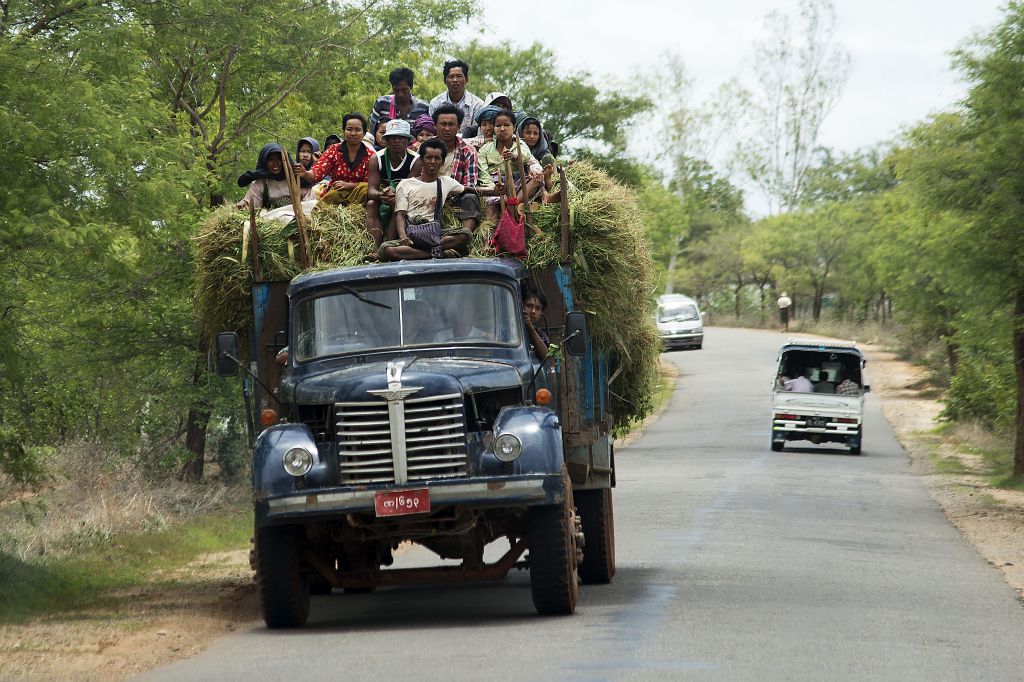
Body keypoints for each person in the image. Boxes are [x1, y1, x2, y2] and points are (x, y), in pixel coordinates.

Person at [379, 139, 471, 261]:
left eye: (437, 158)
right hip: (412, 235)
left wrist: (496, 191)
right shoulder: (406, 184)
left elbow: (470, 189)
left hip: (434, 234)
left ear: (442, 162)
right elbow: (400, 214)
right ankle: (439, 253)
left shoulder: (446, 182)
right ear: (421, 160)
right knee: (387, 250)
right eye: (428, 157)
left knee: (465, 234)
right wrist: (402, 236)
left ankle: (421, 254)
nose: (433, 162)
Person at [432, 104, 498, 234]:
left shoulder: (468, 150)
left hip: (456, 198)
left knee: (470, 198)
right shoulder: (425, 148)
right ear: (435, 125)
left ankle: (463, 236)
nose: (446, 128)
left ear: (458, 127)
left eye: (451, 124)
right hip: (429, 195)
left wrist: (451, 192)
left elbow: (470, 183)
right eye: (443, 124)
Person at [296, 113, 374, 207]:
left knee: (365, 189)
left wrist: (349, 185)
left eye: (358, 130)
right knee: (331, 198)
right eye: (349, 129)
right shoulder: (333, 150)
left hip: (359, 198)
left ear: (364, 133)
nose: (353, 133)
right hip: (335, 194)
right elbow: (318, 173)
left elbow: (370, 183)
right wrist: (305, 173)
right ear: (343, 131)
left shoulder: (371, 155)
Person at [477, 109, 544, 217]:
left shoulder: (520, 144)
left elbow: (526, 156)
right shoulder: (485, 149)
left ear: (514, 127)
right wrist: (494, 189)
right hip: (494, 186)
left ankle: (512, 205)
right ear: (494, 128)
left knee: (536, 179)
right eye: (498, 126)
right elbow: (483, 173)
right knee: (491, 213)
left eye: (507, 125)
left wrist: (514, 156)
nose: (502, 129)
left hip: (516, 185)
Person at [366, 119, 421, 247]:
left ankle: (388, 244)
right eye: (392, 137)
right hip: (383, 195)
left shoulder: (415, 160)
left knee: (398, 204)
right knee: (371, 204)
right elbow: (371, 190)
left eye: (401, 138)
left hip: (405, 197)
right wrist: (382, 195)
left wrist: (395, 196)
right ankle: (375, 247)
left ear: (407, 141)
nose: (397, 141)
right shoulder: (376, 158)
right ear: (386, 140)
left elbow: (410, 188)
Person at [236, 143, 304, 210]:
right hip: (272, 219)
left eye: (278, 159)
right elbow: (251, 203)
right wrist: (244, 203)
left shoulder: (295, 178)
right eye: (270, 160)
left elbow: (308, 198)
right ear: (264, 162)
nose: (275, 163)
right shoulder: (260, 183)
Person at [428, 59, 484, 136]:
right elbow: (433, 131)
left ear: (466, 79)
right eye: (451, 76)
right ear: (444, 80)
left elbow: (479, 134)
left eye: (459, 76)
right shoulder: (435, 103)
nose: (455, 80)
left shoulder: (478, 105)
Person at [369, 67, 429, 133]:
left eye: (404, 90)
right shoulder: (382, 103)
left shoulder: (423, 108)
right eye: (396, 90)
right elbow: (372, 130)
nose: (400, 94)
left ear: (411, 87)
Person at [522, 287, 549, 361]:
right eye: (529, 306)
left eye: (538, 308)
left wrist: (531, 329)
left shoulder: (540, 335)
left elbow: (546, 356)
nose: (533, 311)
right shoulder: (510, 329)